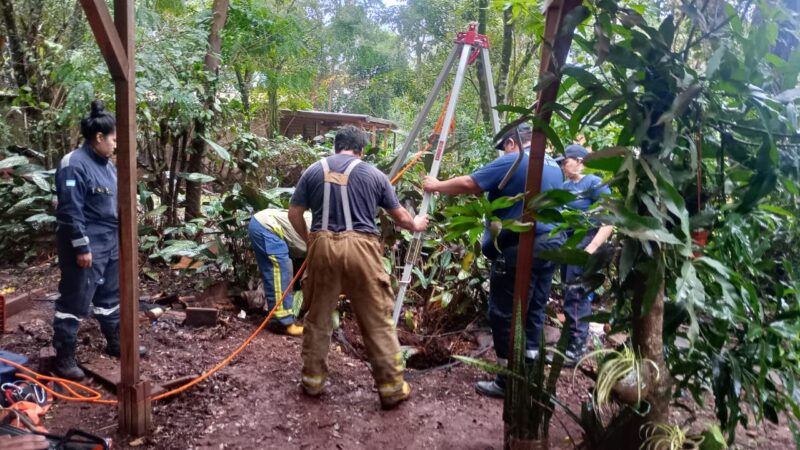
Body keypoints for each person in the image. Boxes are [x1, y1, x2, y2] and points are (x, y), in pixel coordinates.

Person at [288, 125, 428, 410]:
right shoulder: (374, 174)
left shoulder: (313, 171)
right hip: (362, 248)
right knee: (376, 319)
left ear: (336, 146)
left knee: (318, 318)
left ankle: (313, 382)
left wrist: (311, 241)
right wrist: (416, 224)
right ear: (361, 150)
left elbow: (294, 214)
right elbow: (399, 216)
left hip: (322, 245)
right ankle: (390, 388)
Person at [422, 123, 564, 398]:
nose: (504, 153)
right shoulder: (554, 166)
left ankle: (508, 380)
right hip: (551, 245)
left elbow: (470, 183)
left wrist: (436, 185)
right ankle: (531, 371)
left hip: (521, 247)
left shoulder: (516, 160)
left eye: (505, 148)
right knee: (534, 307)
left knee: (505, 312)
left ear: (512, 143)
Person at [52, 100, 145, 381]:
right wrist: (81, 246)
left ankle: (116, 342)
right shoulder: (73, 165)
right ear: (99, 137)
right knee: (76, 299)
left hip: (111, 241)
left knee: (110, 296)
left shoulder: (108, 166)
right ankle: (64, 356)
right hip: (87, 243)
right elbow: (69, 209)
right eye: (114, 140)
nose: (116, 145)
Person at [555, 144, 613, 366]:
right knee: (569, 292)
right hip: (569, 244)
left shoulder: (593, 183)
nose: (562, 165)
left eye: (565, 160)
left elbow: (609, 219)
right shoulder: (565, 186)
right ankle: (569, 342)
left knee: (577, 294)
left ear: (579, 161)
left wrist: (592, 248)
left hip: (586, 241)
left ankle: (577, 349)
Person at [248, 208, 312, 336]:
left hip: (267, 224)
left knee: (287, 272)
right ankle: (281, 323)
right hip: (266, 227)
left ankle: (284, 315)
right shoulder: (333, 237)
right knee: (280, 270)